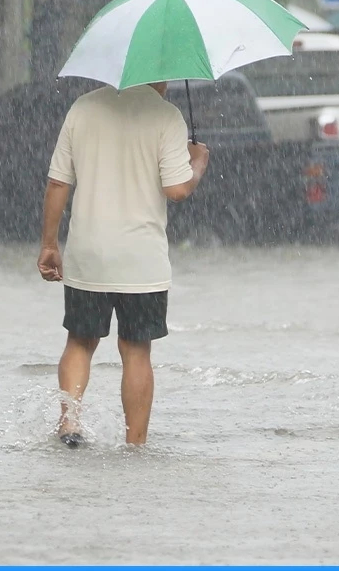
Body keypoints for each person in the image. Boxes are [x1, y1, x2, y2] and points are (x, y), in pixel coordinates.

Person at [37, 81, 209, 447]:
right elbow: (177, 189)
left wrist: (50, 244)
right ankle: (135, 446)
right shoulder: (167, 116)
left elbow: (57, 183)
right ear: (160, 74)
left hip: (89, 252)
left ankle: (69, 424)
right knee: (135, 350)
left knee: (80, 341)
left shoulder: (83, 107)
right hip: (141, 260)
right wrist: (198, 162)